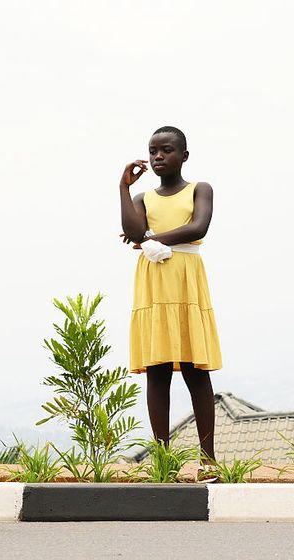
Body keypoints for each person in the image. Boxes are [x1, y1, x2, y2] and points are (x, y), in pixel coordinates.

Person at [118, 126, 222, 480]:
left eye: (166, 150)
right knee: (158, 371)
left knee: (196, 370)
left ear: (184, 155)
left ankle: (208, 459)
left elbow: (198, 227)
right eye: (153, 151)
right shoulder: (142, 198)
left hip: (186, 282)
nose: (158, 156)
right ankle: (163, 459)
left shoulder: (200, 189)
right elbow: (133, 231)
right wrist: (124, 188)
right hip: (154, 285)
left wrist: (152, 238)